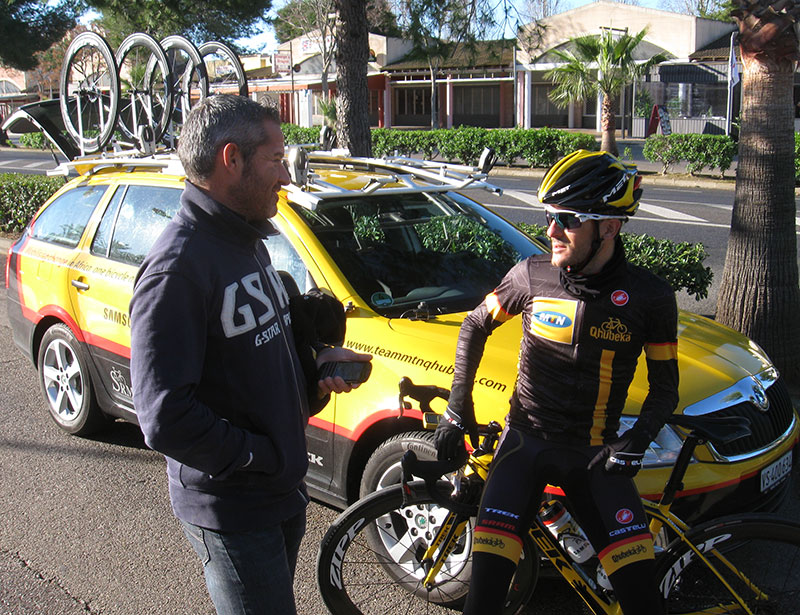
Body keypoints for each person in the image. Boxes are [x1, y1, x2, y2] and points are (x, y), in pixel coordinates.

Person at [130, 94, 371, 615]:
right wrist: (259, 457)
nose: (286, 174)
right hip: (234, 507)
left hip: (280, 490)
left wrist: (314, 373)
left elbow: (261, 354)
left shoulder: (249, 241)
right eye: (276, 158)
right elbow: (164, 416)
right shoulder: (177, 269)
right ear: (231, 159)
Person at [435, 149, 678, 614]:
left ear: (608, 226)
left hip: (595, 458)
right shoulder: (531, 275)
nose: (551, 231)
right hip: (522, 449)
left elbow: (666, 386)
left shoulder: (649, 297)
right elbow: (474, 326)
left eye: (567, 219)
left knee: (644, 602)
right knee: (482, 601)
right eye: (549, 217)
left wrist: (638, 439)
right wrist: (456, 408)